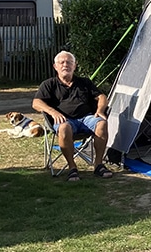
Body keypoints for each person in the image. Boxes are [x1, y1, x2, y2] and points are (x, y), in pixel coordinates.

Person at [32, 50, 113, 181]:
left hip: (86, 118)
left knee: (102, 123)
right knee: (64, 128)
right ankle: (72, 167)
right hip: (65, 121)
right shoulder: (49, 84)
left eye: (69, 62)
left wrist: (101, 110)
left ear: (74, 66)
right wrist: (53, 112)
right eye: (62, 62)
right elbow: (36, 103)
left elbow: (102, 96)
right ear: (55, 66)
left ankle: (98, 165)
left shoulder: (84, 82)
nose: (65, 65)